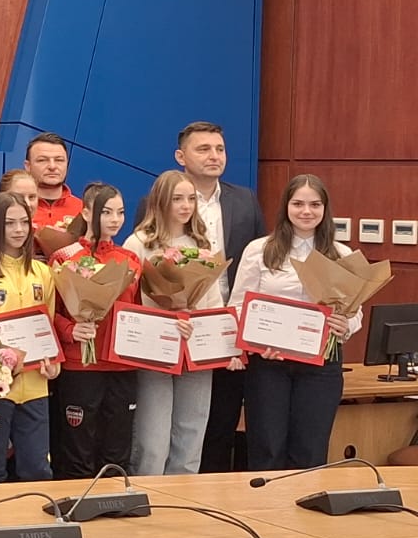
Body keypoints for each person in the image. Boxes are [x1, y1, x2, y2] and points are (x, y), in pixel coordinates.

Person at [139, 123, 266, 474]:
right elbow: (141, 283)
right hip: (165, 337)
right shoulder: (149, 217)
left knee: (211, 424)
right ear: (181, 156)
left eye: (219, 149)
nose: (214, 156)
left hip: (223, 332)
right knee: (157, 432)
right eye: (204, 149)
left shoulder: (245, 200)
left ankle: (201, 493)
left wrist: (237, 336)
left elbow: (260, 262)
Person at [228, 174, 358, 471]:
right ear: (286, 206)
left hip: (321, 366)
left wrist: (345, 325)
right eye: (298, 204)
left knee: (310, 451)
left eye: (315, 204)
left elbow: (354, 310)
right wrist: (255, 344)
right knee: (267, 448)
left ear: (325, 208)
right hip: (268, 365)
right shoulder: (259, 249)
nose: (306, 211)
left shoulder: (342, 254)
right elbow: (238, 305)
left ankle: (306, 503)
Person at [122, 171, 223, 476]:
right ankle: (147, 492)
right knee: (153, 438)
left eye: (191, 199)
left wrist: (212, 334)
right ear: (160, 201)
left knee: (191, 433)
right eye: (177, 199)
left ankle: (183, 496)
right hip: (154, 352)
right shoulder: (139, 243)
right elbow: (129, 301)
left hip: (195, 350)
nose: (186, 205)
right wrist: (166, 321)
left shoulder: (202, 243)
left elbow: (213, 300)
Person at [47, 183, 141, 479]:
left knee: (117, 449)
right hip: (81, 367)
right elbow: (48, 312)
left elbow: (140, 311)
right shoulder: (64, 258)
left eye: (120, 212)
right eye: (106, 212)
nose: (115, 219)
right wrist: (70, 330)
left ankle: (115, 501)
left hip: (122, 365)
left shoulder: (130, 259)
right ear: (86, 213)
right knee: (78, 448)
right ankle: (75, 501)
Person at [0, 191, 60, 482]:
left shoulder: (43, 273)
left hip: (35, 384)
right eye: (10, 223)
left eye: (24, 222)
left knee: (38, 469)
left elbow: (49, 325)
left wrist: (54, 364)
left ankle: (35, 514)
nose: (19, 230)